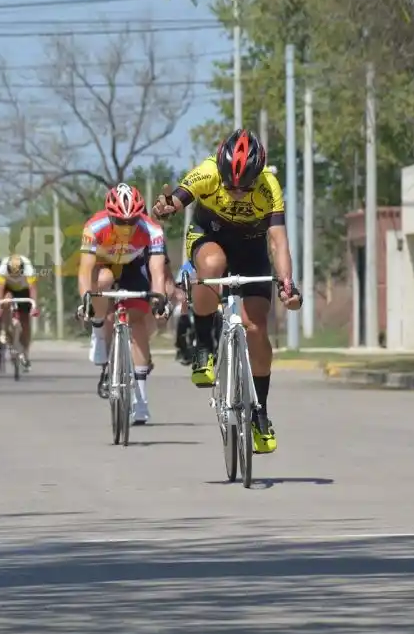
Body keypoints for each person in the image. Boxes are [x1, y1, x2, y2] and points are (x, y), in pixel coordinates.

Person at [151, 128, 301, 456]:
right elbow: (177, 197)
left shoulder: (269, 186)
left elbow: (278, 241)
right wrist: (167, 206)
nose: (236, 192)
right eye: (229, 185)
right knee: (212, 264)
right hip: (210, 237)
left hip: (251, 249)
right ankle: (203, 346)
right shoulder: (207, 171)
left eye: (243, 186)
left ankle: (260, 412)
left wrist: (287, 284)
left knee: (256, 326)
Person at [76, 183, 170, 425]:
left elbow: (156, 270)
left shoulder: (152, 229)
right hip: (104, 263)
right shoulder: (94, 226)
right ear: (110, 216)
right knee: (103, 280)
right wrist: (86, 300)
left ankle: (141, 400)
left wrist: (159, 298)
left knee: (137, 321)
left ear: (140, 216)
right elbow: (85, 270)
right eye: (120, 222)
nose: (126, 227)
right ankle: (99, 331)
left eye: (132, 221)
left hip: (133, 265)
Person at [0, 253, 40, 369]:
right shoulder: (3, 267)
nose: (15, 277)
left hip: (24, 290)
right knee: (6, 299)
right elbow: (0, 289)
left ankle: (25, 353)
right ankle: (6, 329)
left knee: (25, 323)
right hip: (9, 289)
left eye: (17, 274)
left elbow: (33, 289)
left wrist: (34, 306)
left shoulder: (28, 268)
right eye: (12, 274)